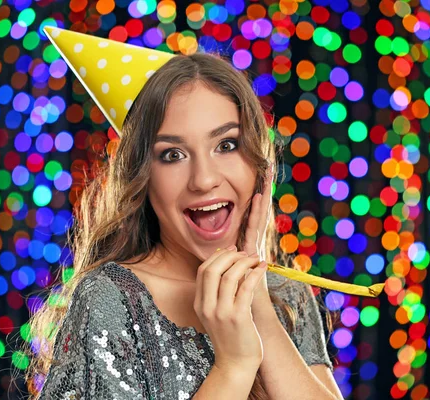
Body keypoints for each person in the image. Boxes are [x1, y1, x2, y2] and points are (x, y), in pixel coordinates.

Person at [24, 27, 343, 400]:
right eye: (172, 155)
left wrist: (257, 300)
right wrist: (234, 365)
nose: (204, 180)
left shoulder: (289, 298)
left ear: (260, 165)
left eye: (226, 145)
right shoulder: (109, 300)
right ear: (143, 178)